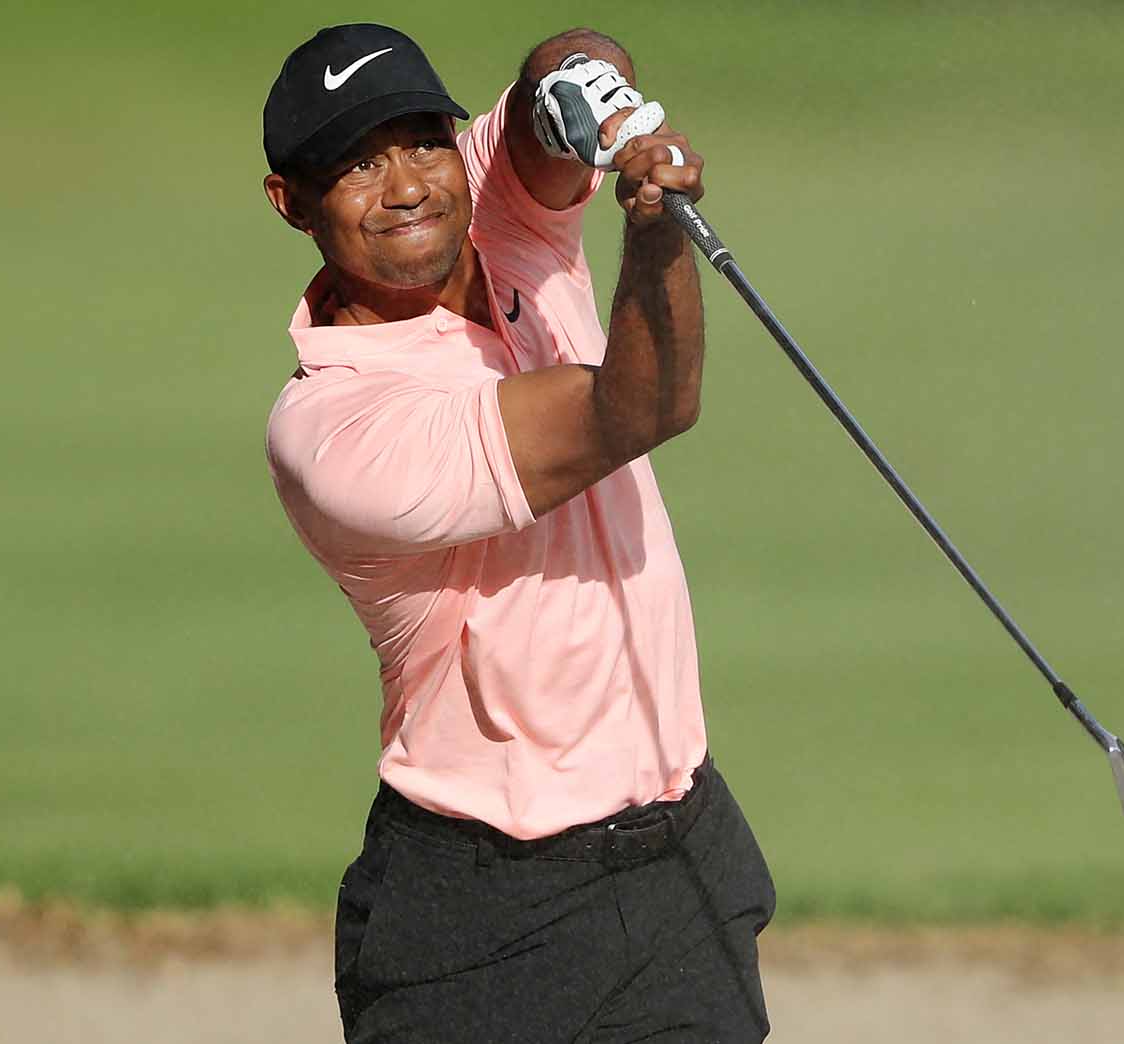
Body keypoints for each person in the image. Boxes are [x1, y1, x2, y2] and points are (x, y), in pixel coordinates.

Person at [258, 23, 774, 1043]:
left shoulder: (490, 219)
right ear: (293, 203)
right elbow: (641, 407)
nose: (403, 183)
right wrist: (655, 224)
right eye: (354, 164)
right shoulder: (335, 429)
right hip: (481, 917)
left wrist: (596, 87)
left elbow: (553, 77)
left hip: (679, 860)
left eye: (419, 142)